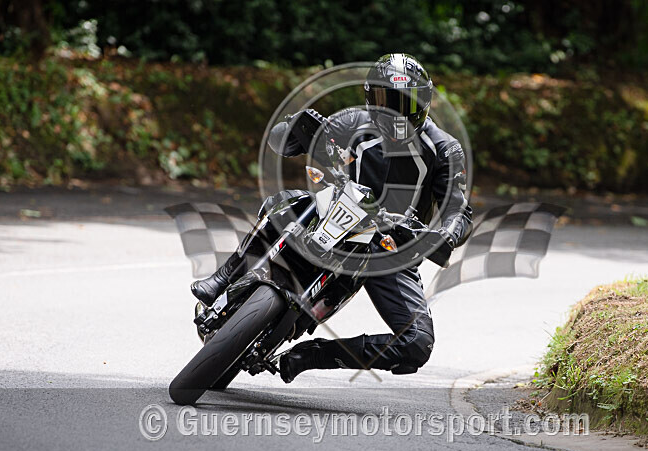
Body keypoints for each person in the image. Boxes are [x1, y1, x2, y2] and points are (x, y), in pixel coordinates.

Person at [190, 53, 472, 382]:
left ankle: (314, 354)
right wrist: (295, 128)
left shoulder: (444, 148)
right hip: (337, 210)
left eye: (402, 101)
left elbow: (459, 210)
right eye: (383, 99)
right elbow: (281, 142)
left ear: (422, 102)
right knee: (288, 202)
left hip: (390, 246)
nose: (391, 109)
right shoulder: (355, 121)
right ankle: (224, 276)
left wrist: (444, 235)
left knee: (416, 343)